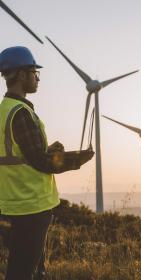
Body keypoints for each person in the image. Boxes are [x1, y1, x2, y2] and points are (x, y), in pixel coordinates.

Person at [0, 46, 95, 280]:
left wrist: (48, 150)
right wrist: (78, 158)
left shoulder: (5, 110)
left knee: (22, 270)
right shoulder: (20, 113)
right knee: (24, 273)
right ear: (21, 75)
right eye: (34, 72)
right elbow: (41, 162)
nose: (37, 78)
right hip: (30, 207)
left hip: (12, 204)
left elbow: (19, 154)